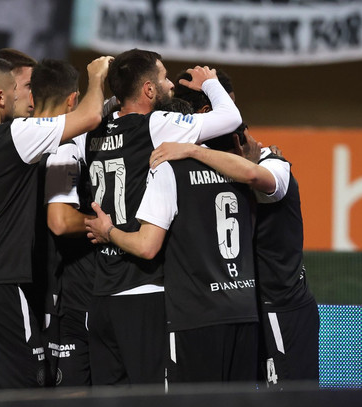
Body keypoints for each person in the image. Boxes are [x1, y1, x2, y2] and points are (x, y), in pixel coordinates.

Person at [0, 54, 111, 400]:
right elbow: (89, 116)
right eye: (15, 90)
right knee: (28, 395)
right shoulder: (14, 136)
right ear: (0, 96)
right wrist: (98, 75)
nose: (22, 97)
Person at [80, 48, 243, 386]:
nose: (170, 84)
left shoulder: (91, 131)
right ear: (149, 90)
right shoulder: (155, 125)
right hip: (143, 291)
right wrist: (210, 82)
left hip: (101, 295)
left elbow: (97, 110)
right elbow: (230, 118)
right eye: (165, 77)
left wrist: (100, 81)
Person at [150, 93, 320, 389]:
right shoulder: (221, 174)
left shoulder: (273, 164)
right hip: (250, 309)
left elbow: (254, 176)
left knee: (290, 397)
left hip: (282, 306)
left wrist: (191, 150)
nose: (255, 141)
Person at [85, 123, 259, 384]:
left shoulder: (171, 169)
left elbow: (147, 246)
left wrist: (108, 231)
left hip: (195, 315)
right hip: (244, 309)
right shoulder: (249, 173)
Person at [29, 59, 98, 387]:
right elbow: (60, 220)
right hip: (54, 292)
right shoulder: (62, 150)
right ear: (72, 100)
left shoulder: (11, 141)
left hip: (16, 288)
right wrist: (109, 226)